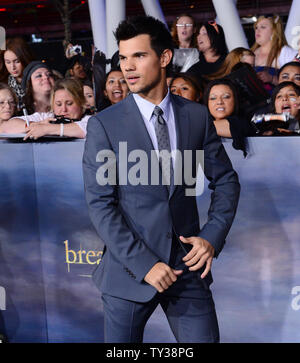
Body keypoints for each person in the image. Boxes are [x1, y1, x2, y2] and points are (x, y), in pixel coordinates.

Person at [82, 15, 240, 343]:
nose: (128, 66)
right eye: (123, 58)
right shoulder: (105, 125)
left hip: (186, 268)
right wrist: (145, 264)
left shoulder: (196, 116)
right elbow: (101, 206)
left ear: (164, 57)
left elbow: (225, 181)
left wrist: (211, 237)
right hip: (128, 272)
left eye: (139, 56)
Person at [5, 78, 89, 139]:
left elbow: (87, 129)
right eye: (58, 104)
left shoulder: (89, 119)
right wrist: (34, 125)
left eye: (69, 104)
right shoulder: (47, 118)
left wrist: (47, 129)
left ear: (81, 103)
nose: (64, 109)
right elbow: (8, 127)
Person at [203, 78, 255, 156]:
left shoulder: (245, 122)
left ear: (235, 100)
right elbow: (191, 166)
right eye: (213, 98)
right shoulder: (198, 129)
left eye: (226, 97)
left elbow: (234, 125)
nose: (219, 102)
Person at [251, 15, 297, 86]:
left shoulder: (285, 52)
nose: (257, 30)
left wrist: (272, 79)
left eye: (263, 27)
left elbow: (296, 81)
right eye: (256, 27)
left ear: (274, 31)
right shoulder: (251, 52)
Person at [0, 37, 35, 111]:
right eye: (8, 62)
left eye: (17, 61)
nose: (13, 67)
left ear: (24, 59)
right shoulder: (3, 84)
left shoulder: (38, 79)